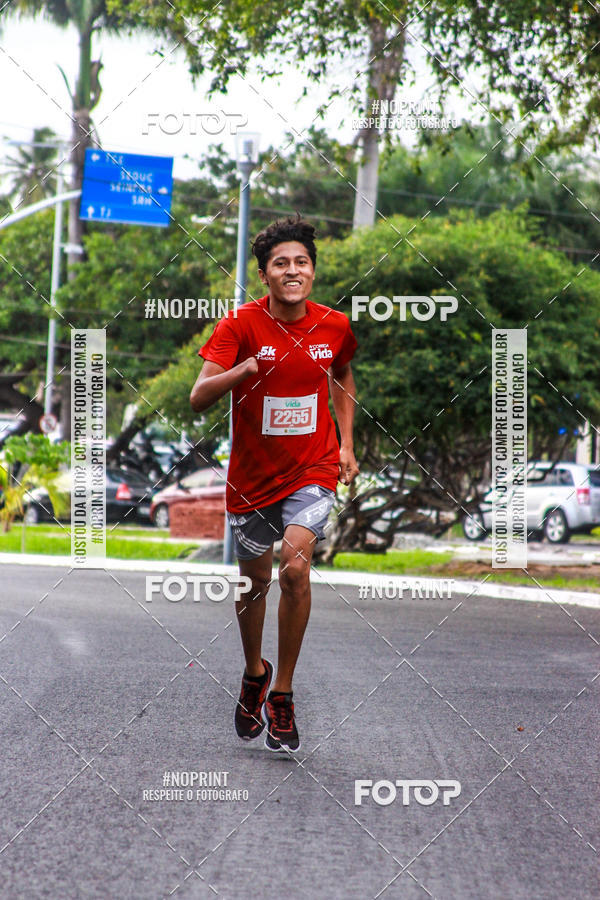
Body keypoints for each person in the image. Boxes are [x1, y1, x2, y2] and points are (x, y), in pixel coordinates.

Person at [190, 215, 359, 752]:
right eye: (281, 263)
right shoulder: (239, 326)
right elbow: (197, 397)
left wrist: (347, 444)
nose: (293, 271)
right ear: (264, 274)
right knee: (253, 583)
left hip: (313, 468)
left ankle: (282, 692)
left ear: (312, 271)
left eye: (302, 262)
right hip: (252, 478)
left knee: (294, 567)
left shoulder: (334, 325)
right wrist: (240, 372)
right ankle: (253, 671)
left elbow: (343, 374)